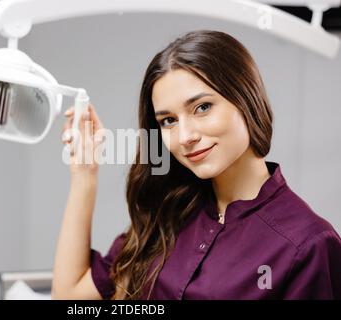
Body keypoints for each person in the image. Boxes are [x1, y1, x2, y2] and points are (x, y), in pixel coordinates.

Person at [51, 30, 341, 300]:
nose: (186, 137)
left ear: (246, 99)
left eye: (202, 108)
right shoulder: (169, 211)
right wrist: (84, 174)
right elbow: (69, 296)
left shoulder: (308, 244)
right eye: (169, 121)